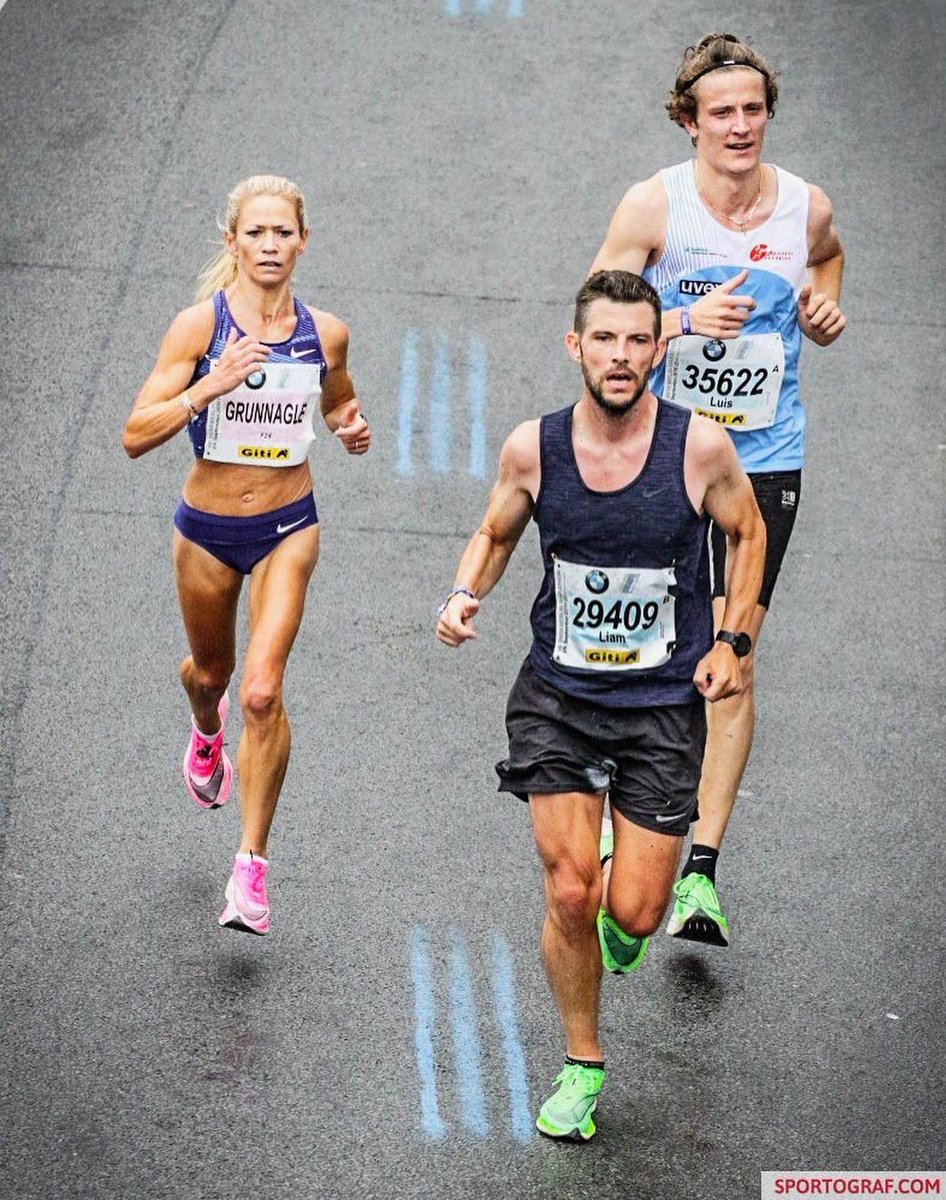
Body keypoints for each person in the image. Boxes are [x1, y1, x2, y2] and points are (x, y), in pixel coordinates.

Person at [436, 270, 765, 1140]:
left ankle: (630, 899)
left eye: (637, 341)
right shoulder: (533, 448)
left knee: (635, 913)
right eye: (605, 339)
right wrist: (463, 594)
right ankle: (582, 1064)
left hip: (661, 708)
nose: (620, 356)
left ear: (658, 350)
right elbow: (495, 531)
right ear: (575, 347)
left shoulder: (698, 448)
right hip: (558, 700)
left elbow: (746, 532)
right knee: (571, 889)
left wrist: (732, 642)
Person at [590, 33, 846, 946]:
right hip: (666, 454)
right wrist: (680, 319)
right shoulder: (654, 204)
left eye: (752, 110)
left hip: (765, 458)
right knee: (651, 648)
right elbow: (595, 317)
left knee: (730, 659)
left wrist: (822, 307)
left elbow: (827, 258)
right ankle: (626, 829)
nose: (739, 126)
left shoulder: (805, 206)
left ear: (767, 113)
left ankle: (698, 871)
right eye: (721, 112)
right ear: (689, 121)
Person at [122, 174, 370, 935]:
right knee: (214, 675)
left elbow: (337, 398)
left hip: (288, 524)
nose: (269, 245)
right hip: (206, 528)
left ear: (303, 242)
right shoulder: (198, 328)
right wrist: (210, 387)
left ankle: (251, 869)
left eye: (282, 233)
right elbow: (135, 433)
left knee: (262, 692)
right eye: (255, 233)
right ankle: (206, 730)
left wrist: (349, 425)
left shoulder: (326, 332)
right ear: (232, 242)